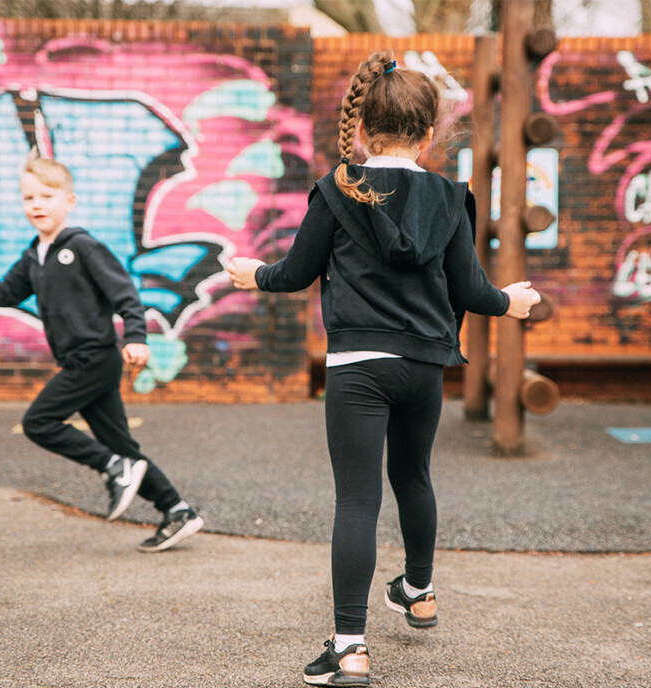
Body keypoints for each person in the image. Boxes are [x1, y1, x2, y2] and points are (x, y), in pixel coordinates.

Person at [227, 51, 541, 687]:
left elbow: (292, 275)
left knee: (358, 500)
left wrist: (249, 274)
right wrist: (515, 302)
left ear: (364, 130)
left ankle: (350, 648)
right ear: (429, 135)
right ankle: (419, 590)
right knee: (414, 477)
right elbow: (473, 292)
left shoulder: (337, 187)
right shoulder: (453, 199)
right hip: (424, 365)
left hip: (358, 368)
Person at [0, 149, 203, 551]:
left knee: (39, 422)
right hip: (82, 361)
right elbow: (5, 293)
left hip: (94, 357)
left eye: (47, 195)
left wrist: (137, 336)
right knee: (124, 447)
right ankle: (177, 510)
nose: (37, 204)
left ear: (69, 201)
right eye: (29, 198)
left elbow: (125, 293)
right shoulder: (34, 255)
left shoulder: (83, 246)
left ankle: (112, 467)